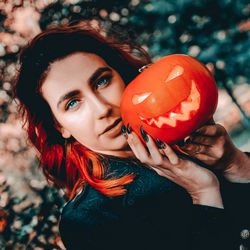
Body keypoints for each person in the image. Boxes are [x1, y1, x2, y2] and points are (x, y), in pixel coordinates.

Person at [13, 21, 250, 250]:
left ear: (123, 77)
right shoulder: (88, 220)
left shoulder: (192, 144)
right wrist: (204, 194)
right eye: (73, 103)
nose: (101, 108)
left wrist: (235, 164)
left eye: (102, 81)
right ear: (59, 126)